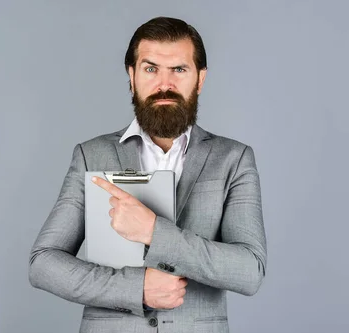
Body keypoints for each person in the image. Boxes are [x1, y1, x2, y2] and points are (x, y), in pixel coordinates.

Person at [28, 16, 267, 333]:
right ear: (132, 75)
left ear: (200, 78)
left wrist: (156, 232)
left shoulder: (233, 159)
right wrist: (135, 288)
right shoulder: (91, 155)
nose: (164, 84)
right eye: (151, 68)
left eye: (179, 70)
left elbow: (250, 271)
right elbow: (43, 264)